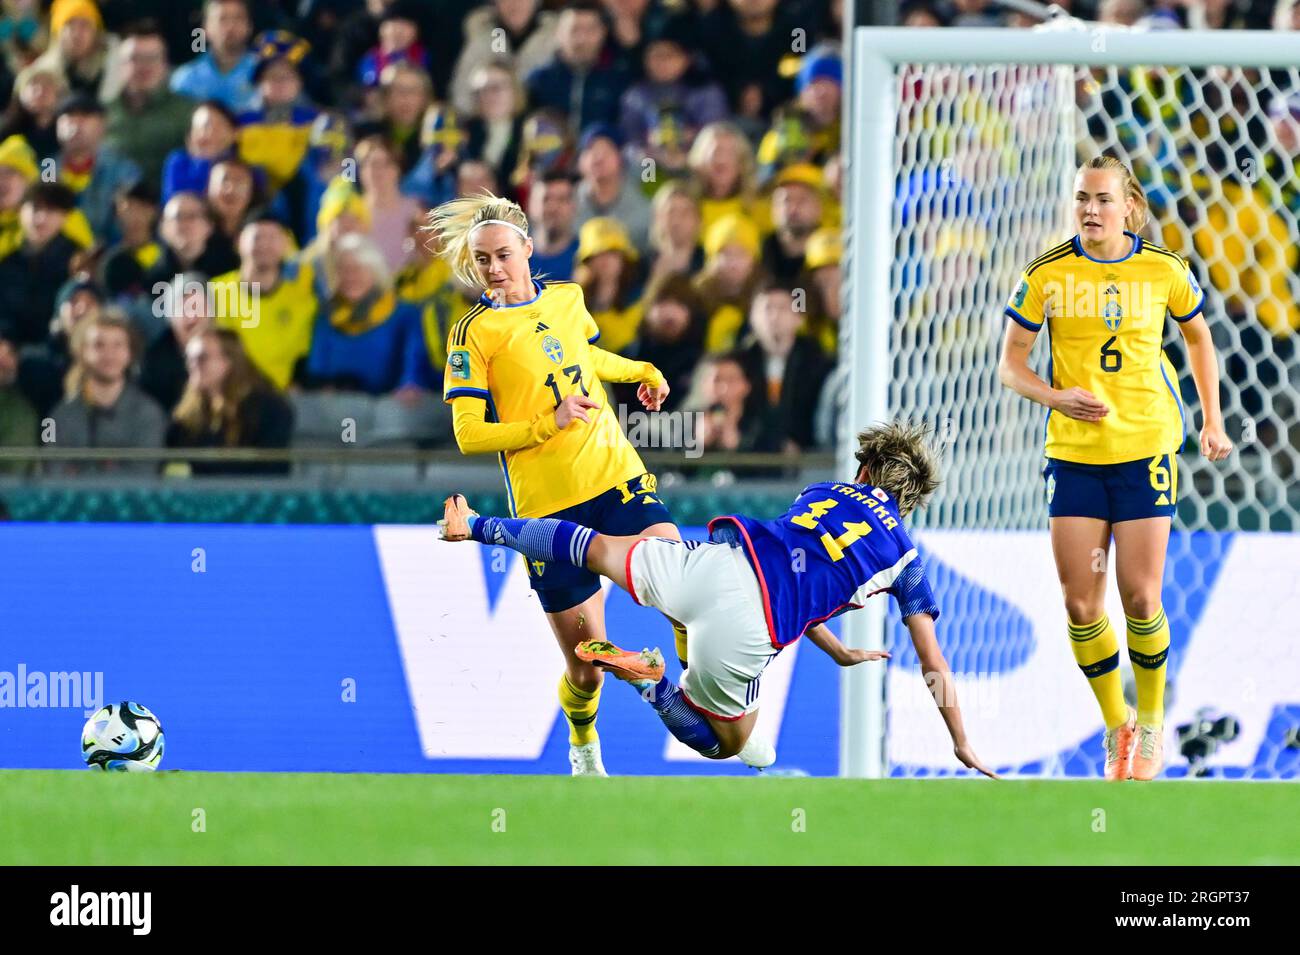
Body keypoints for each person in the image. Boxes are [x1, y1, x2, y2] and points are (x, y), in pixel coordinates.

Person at [438, 421, 996, 777]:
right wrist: (961, 739)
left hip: (712, 564)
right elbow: (933, 663)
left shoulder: (824, 492)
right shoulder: (905, 558)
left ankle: (475, 525)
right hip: (748, 632)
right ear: (911, 501)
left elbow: (790, 567)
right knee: (725, 744)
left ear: (865, 471)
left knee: (593, 548)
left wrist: (836, 650)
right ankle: (652, 681)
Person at [427, 190, 683, 776]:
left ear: (527, 249)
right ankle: (584, 740)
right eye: (482, 261)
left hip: (614, 475)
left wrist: (641, 369)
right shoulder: (472, 334)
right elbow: (469, 434)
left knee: (674, 565)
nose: (493, 269)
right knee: (586, 666)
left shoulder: (568, 298)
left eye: (502, 255)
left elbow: (585, 359)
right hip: (549, 508)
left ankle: (698, 693)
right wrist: (549, 422)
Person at [998, 155, 1233, 782]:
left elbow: (1199, 337)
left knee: (1140, 593)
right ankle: (1117, 722)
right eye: (1081, 199)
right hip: (1074, 454)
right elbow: (1011, 365)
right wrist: (1056, 397)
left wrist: (1212, 419)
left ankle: (1153, 721)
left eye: (1102, 199)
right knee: (1080, 604)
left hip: (1146, 446)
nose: (1090, 210)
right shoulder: (1046, 275)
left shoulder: (1163, 269)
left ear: (1128, 205)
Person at [167, 328, 294, 476]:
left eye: (202, 358)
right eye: (189, 358)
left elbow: (272, 469)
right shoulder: (185, 416)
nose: (192, 365)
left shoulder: (269, 410)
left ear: (229, 362)